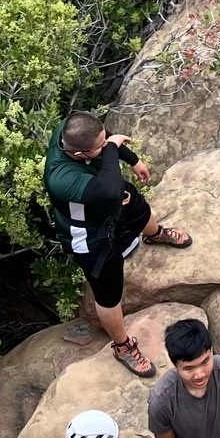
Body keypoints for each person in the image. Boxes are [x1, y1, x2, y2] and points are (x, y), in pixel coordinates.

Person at [43, 111, 192, 378]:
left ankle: (156, 233)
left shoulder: (73, 130)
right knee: (109, 292)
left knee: (137, 207)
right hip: (90, 235)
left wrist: (132, 160)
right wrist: (111, 148)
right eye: (99, 148)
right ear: (78, 154)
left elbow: (104, 138)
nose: (106, 146)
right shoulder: (60, 176)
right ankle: (123, 346)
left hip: (114, 201)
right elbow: (106, 189)